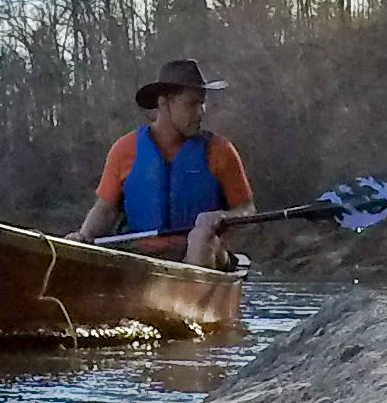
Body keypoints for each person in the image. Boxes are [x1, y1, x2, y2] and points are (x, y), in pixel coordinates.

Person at [70, 58, 252, 268]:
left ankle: (187, 297)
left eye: (202, 103)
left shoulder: (221, 151)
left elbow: (246, 209)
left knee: (201, 238)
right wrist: (82, 237)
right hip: (140, 257)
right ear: (164, 103)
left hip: (203, 255)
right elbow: (105, 209)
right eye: (192, 103)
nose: (201, 111)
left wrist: (224, 216)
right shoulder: (124, 149)